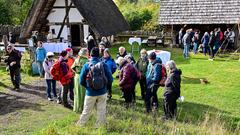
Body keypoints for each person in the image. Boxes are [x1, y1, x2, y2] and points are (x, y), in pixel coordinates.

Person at [77, 47, 113, 127]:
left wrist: (88, 88)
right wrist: (104, 87)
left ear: (90, 54)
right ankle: (99, 126)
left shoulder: (86, 65)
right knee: (101, 110)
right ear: (99, 55)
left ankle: (80, 125)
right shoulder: (104, 64)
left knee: (86, 110)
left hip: (90, 92)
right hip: (102, 92)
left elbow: (81, 80)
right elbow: (110, 79)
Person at [71, 48, 89, 113]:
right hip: (83, 77)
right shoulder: (87, 61)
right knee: (83, 93)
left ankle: (76, 108)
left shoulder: (77, 59)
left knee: (77, 92)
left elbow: (72, 68)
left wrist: (77, 72)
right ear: (85, 53)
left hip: (77, 77)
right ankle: (82, 108)